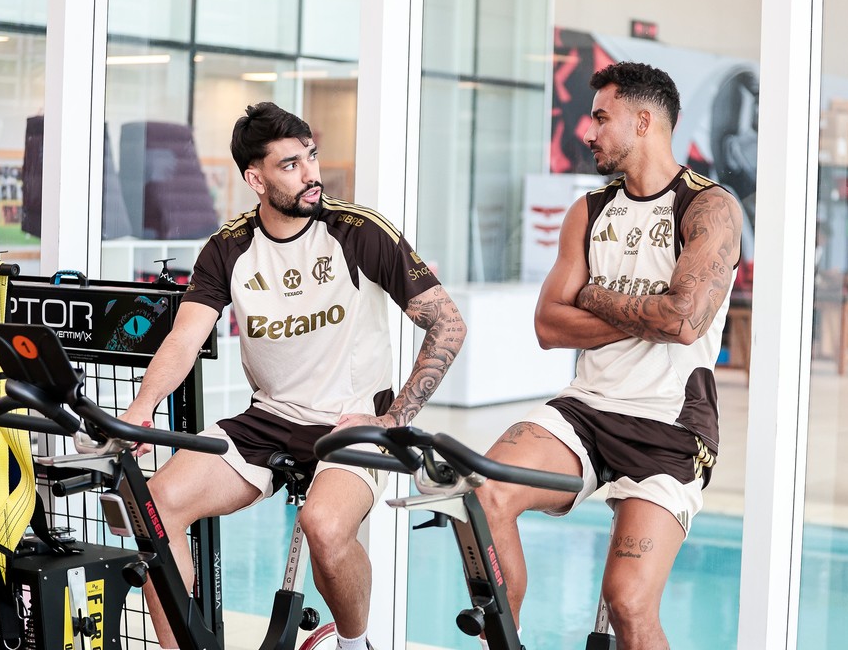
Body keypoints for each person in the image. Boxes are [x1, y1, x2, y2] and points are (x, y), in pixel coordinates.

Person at [120, 102, 467, 650]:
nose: (311, 174)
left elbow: (448, 324)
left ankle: (354, 646)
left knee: (323, 526)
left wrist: (394, 419)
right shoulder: (228, 248)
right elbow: (185, 338)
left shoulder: (358, 232)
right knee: (155, 504)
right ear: (255, 179)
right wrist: (143, 405)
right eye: (290, 164)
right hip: (270, 417)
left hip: (353, 421)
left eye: (311, 157)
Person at [476, 62, 742, 649]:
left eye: (601, 118)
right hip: (586, 410)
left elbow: (682, 321)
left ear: (644, 122)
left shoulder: (709, 208)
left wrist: (594, 297)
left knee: (628, 603)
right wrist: (644, 315)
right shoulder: (590, 210)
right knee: (484, 494)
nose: (588, 132)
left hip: (670, 426)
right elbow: (549, 325)